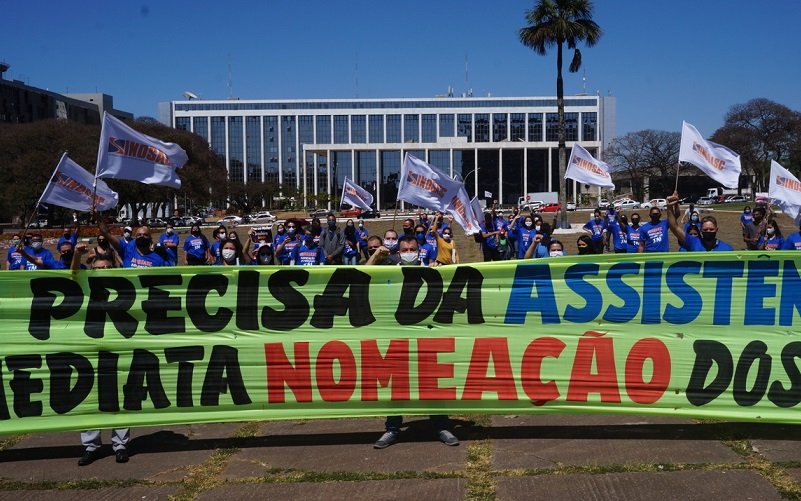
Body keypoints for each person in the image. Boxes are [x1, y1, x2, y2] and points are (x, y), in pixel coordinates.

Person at [370, 236, 459, 449]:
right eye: (404, 249)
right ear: (398, 252)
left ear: (419, 250)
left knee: (433, 383)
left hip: (427, 337)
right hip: (397, 336)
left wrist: (444, 267)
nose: (408, 252)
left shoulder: (432, 270)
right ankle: (392, 428)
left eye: (412, 249)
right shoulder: (388, 270)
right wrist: (375, 255)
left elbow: (459, 279)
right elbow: (361, 276)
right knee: (396, 386)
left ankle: (441, 426)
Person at [70, 245, 130, 465]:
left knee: (118, 399)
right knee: (88, 398)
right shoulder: (85, 286)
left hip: (115, 349)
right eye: (97, 268)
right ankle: (91, 445)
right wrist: (77, 255)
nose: (102, 271)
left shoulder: (124, 288)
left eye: (106, 267)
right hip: (89, 349)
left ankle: (120, 445)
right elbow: (74, 273)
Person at [667, 193, 733, 251]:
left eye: (711, 229)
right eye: (705, 229)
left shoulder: (727, 249)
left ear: (717, 229)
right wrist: (669, 207)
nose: (708, 231)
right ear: (700, 230)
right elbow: (674, 227)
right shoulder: (693, 243)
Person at [97, 217, 167, 268]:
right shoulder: (127, 250)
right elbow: (107, 233)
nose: (142, 236)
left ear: (150, 239)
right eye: (139, 235)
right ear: (135, 237)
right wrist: (98, 217)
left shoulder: (158, 259)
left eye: (145, 235)